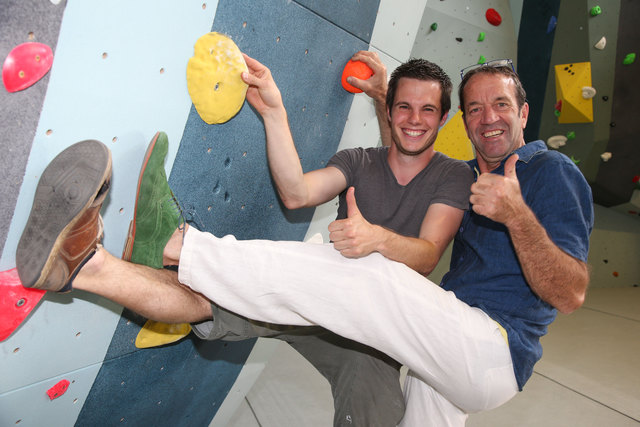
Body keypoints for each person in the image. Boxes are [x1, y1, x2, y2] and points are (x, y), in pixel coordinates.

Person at [16, 51, 474, 427]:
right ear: (389, 109)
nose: (415, 119)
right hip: (315, 295)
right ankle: (84, 266)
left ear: (444, 116)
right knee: (206, 300)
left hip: (375, 331)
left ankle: (173, 241)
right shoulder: (359, 160)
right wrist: (275, 112)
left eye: (428, 109)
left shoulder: (453, 175)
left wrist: (376, 239)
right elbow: (297, 193)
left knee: (383, 415)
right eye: (404, 107)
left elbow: (427, 254)